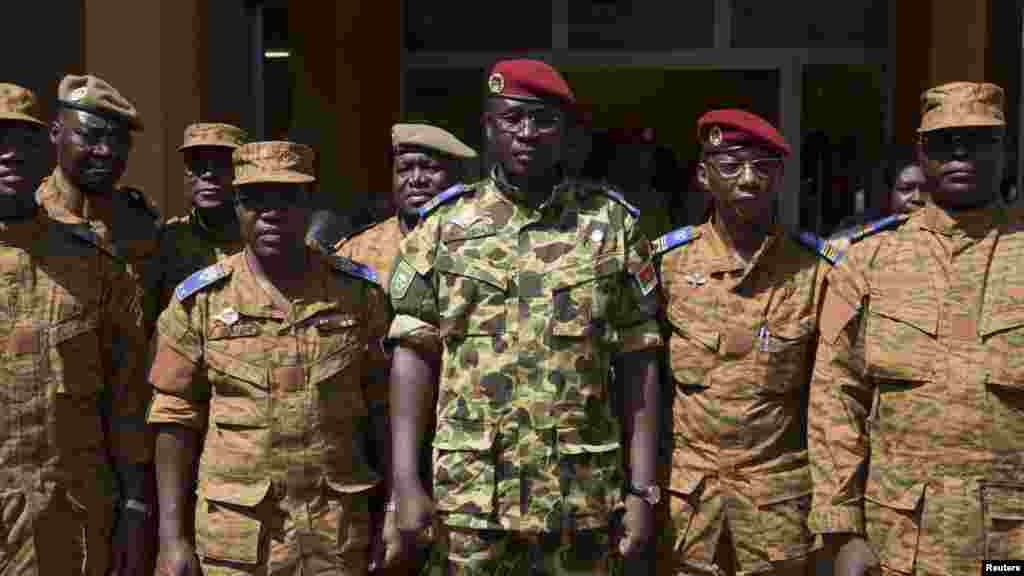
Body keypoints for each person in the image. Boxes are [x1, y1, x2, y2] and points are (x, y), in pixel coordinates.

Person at [385, 58, 662, 575]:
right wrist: (405, 480)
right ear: (489, 127)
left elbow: (639, 361)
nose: (527, 133)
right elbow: (414, 354)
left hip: (581, 499)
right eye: (512, 119)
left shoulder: (612, 226)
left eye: (543, 119)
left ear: (566, 130)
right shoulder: (446, 226)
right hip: (471, 501)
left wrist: (643, 487)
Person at [810, 81, 1024, 575]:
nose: (962, 153)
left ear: (1005, 151)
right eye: (945, 141)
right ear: (921, 153)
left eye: (979, 139)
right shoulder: (868, 262)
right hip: (898, 542)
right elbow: (835, 398)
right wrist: (843, 532)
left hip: (1009, 545)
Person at [148, 141, 391, 575]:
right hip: (237, 545)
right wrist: (172, 538)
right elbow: (174, 417)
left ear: (309, 203)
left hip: (334, 539)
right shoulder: (200, 301)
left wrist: (393, 505)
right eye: (254, 200)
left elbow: (382, 410)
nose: (271, 212)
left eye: (288, 198)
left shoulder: (359, 296)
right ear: (237, 205)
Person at [653, 109, 829, 576]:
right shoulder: (666, 265)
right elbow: (639, 383)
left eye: (764, 167)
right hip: (688, 506)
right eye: (730, 165)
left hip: (778, 509)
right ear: (703, 176)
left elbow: (835, 401)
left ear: (781, 177)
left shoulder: (818, 271)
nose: (748, 179)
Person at [0, 83, 150, 575]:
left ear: (44, 144)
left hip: (70, 517)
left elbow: (126, 397)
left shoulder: (94, 262)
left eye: (23, 140)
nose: (10, 153)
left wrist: (134, 507)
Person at [37, 74, 161, 292]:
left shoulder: (142, 222)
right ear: (56, 133)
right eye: (90, 136)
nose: (106, 151)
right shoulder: (29, 214)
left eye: (118, 140)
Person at [334, 122, 477, 284]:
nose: (416, 179)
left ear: (454, 175)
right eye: (404, 169)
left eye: (430, 168)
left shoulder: (479, 243)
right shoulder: (357, 251)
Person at [144, 122, 247, 337]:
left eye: (221, 165)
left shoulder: (263, 243)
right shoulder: (166, 242)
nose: (209, 175)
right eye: (197, 165)